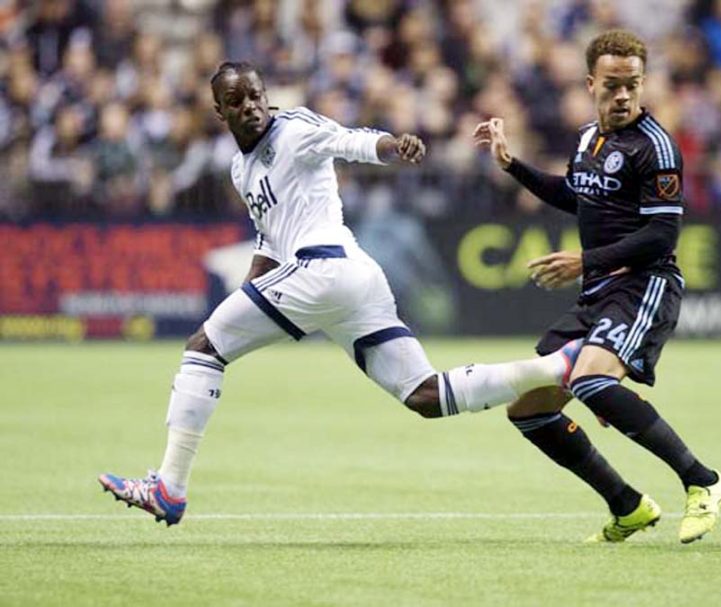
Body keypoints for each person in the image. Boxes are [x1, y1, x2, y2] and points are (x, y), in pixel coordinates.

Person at [98, 61, 580, 526]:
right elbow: (269, 239)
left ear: (265, 96)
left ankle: (169, 489)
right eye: (235, 100)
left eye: (255, 95)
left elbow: (347, 139)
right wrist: (249, 300)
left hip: (323, 269)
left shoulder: (292, 128)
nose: (250, 107)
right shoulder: (240, 171)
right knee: (425, 395)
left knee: (203, 348)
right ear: (219, 112)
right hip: (347, 280)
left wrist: (393, 145)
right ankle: (558, 366)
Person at [473, 29, 721, 544]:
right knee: (529, 409)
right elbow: (576, 195)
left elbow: (662, 233)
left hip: (644, 284)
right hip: (597, 293)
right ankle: (627, 505)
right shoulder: (589, 138)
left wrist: (583, 260)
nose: (623, 95)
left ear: (642, 84)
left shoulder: (656, 148)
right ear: (591, 83)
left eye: (632, 84)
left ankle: (704, 482)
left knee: (591, 382)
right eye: (612, 85)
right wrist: (512, 165)